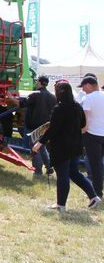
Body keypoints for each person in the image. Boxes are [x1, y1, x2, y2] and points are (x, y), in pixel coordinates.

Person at [32, 81, 101, 211]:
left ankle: (61, 205)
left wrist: (39, 143)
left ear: (60, 93)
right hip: (76, 146)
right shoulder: (77, 107)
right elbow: (83, 124)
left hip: (62, 147)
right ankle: (94, 197)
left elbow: (52, 129)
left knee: (63, 175)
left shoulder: (59, 108)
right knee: (74, 173)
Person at [20, 75, 56, 175]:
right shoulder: (52, 96)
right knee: (42, 147)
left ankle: (37, 170)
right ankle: (49, 167)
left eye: (36, 81)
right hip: (46, 127)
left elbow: (22, 104)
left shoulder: (34, 94)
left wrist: (10, 97)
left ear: (39, 82)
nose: (36, 82)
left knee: (35, 148)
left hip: (34, 127)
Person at [80, 76, 104, 198]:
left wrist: (83, 131)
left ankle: (97, 192)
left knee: (96, 165)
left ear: (89, 85)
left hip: (92, 135)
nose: (83, 90)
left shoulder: (88, 98)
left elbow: (86, 118)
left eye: (83, 87)